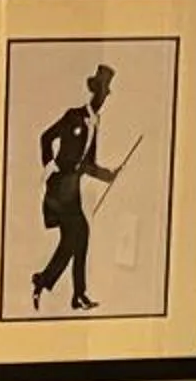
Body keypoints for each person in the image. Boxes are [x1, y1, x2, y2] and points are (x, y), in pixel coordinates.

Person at [30, 61, 133, 312]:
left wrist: (109, 175)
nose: (103, 98)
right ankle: (75, 294)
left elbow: (87, 164)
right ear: (93, 92)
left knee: (72, 241)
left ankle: (45, 281)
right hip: (59, 188)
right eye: (100, 92)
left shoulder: (94, 124)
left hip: (72, 188)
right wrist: (50, 167)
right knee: (80, 235)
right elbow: (46, 137)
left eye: (105, 93)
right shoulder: (73, 115)